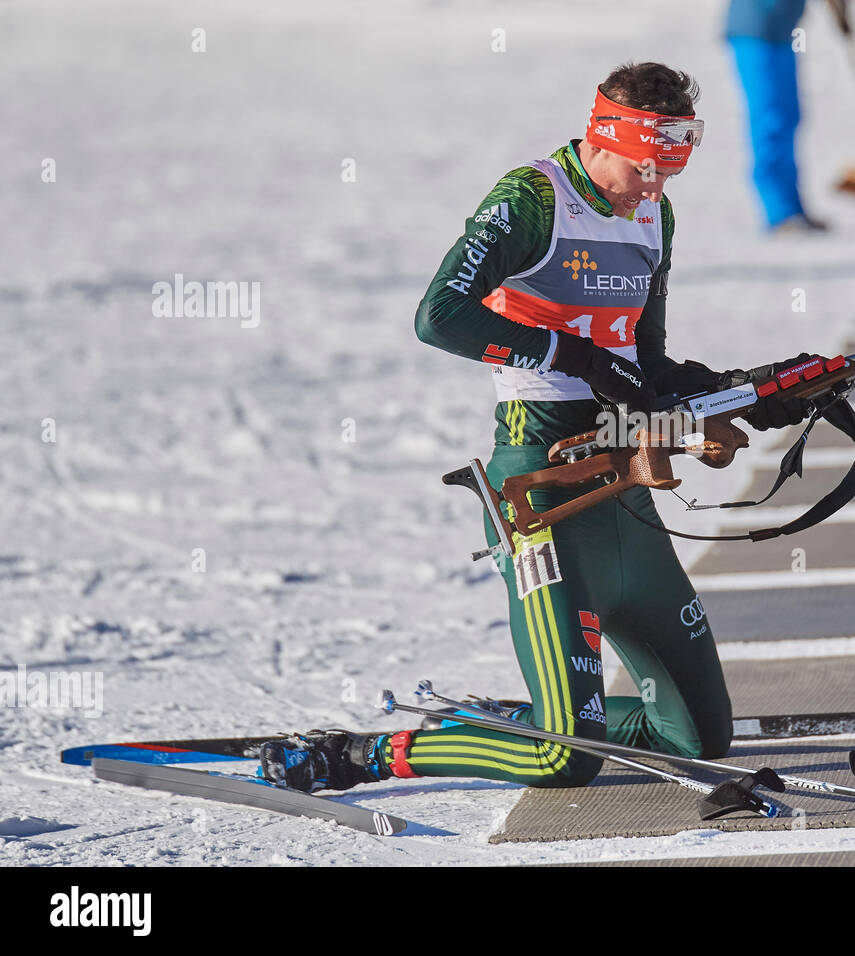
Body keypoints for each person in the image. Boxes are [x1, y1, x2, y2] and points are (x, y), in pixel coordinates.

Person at [259, 62, 815, 794]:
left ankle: (537, 714)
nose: (654, 189)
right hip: (545, 496)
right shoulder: (532, 199)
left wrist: (752, 389)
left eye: (671, 171)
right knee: (565, 760)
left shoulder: (655, 214)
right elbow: (439, 318)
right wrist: (573, 354)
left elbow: (647, 367)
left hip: (628, 497)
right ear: (604, 137)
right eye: (647, 169)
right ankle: (367, 754)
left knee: (701, 738)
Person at [725, 0, 826, 232]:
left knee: (789, 116)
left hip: (783, 32)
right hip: (754, 30)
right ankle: (779, 212)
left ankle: (794, 206)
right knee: (770, 119)